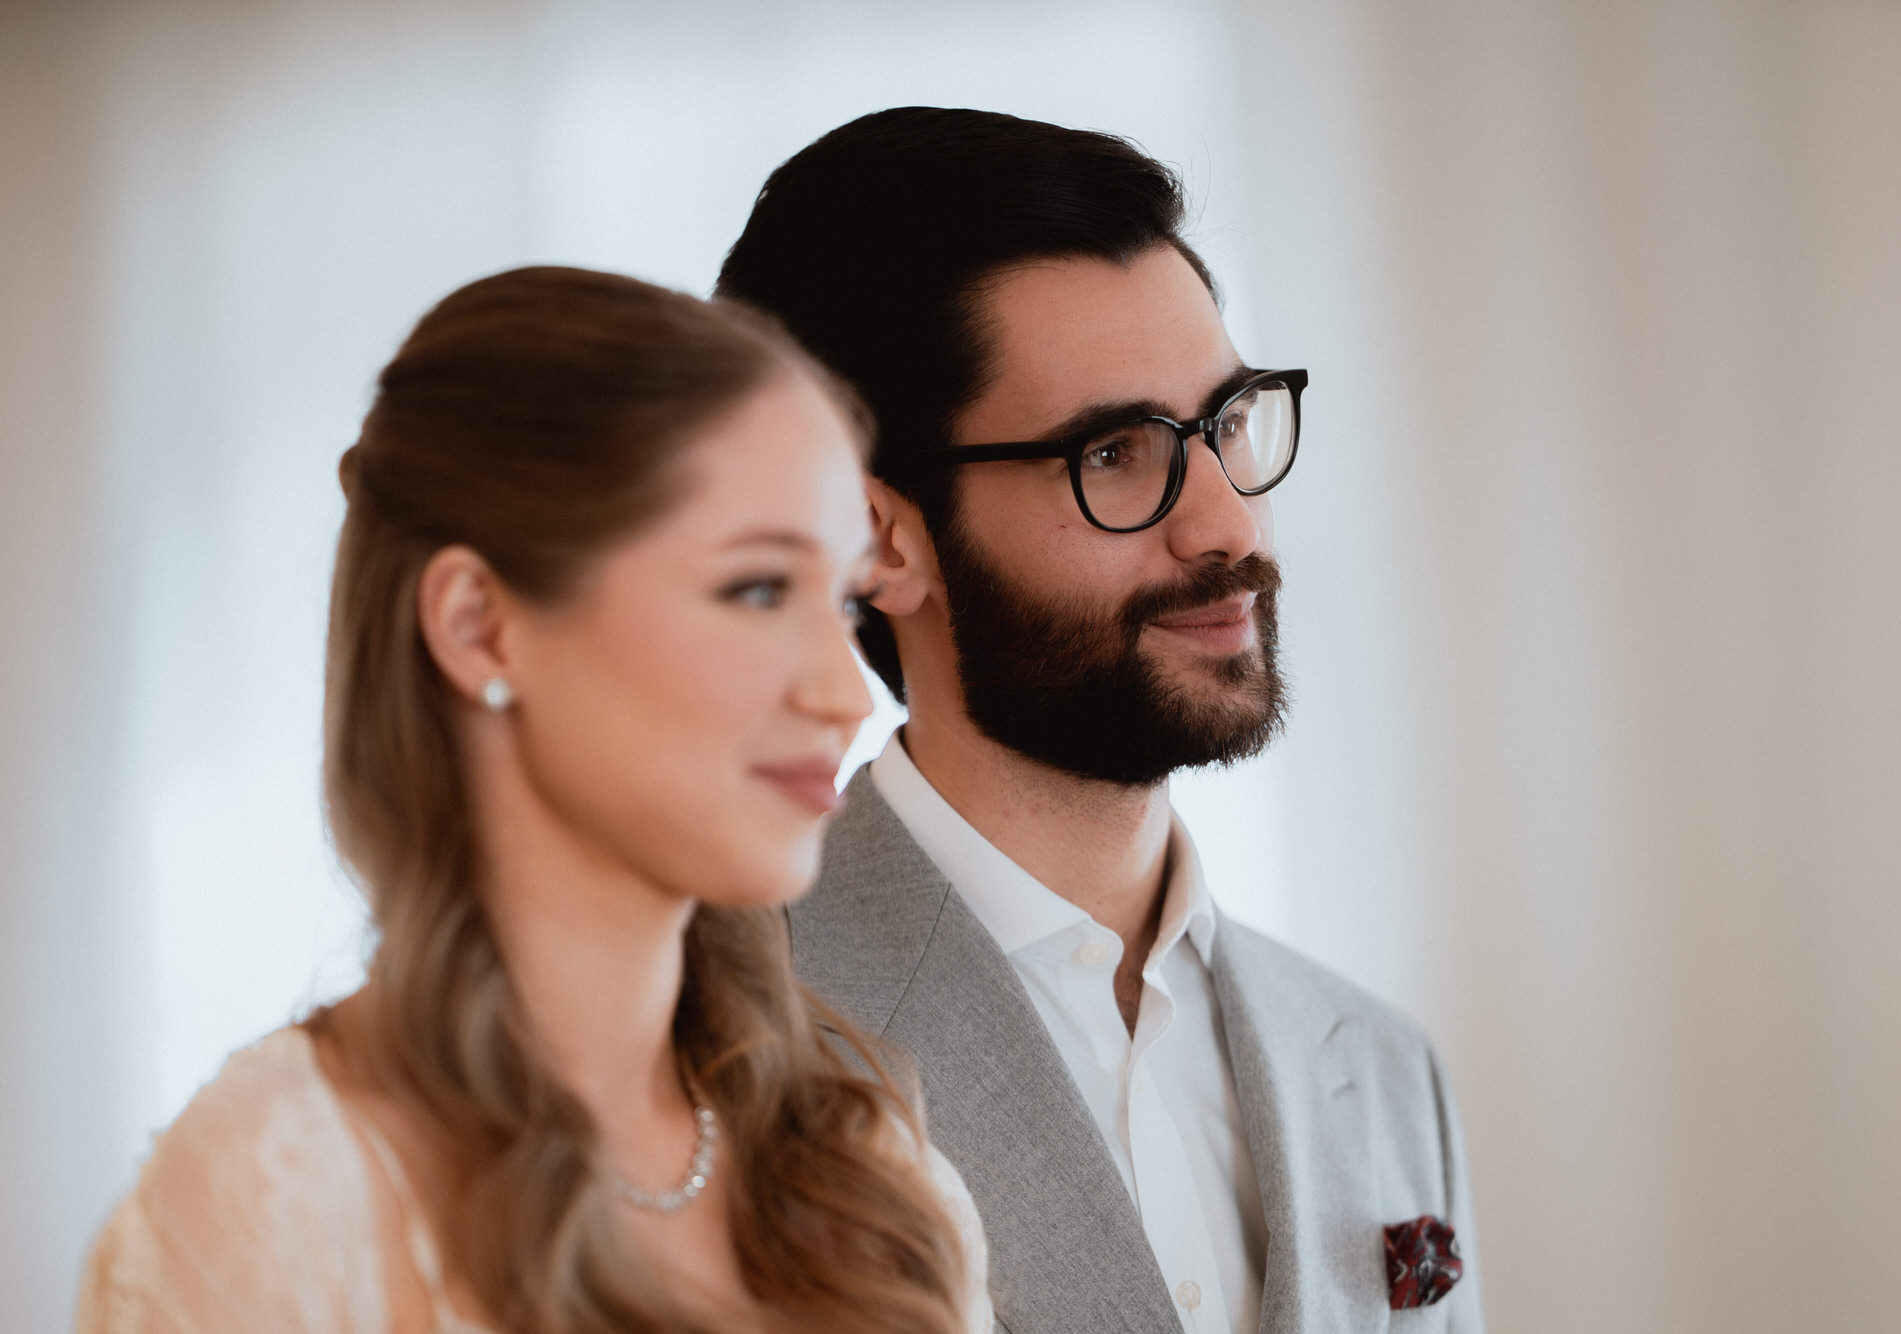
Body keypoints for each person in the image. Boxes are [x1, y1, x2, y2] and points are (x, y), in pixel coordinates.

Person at [77, 266, 993, 1334]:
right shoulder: (274, 1197)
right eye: (755, 588)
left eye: (838, 601)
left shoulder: (880, 1182)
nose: (846, 692)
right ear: (478, 625)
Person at [717, 108, 1484, 1334]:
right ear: (880, 538)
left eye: (1227, 424)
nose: (1227, 523)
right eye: (1118, 452)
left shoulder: (1382, 1069)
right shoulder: (700, 1039)